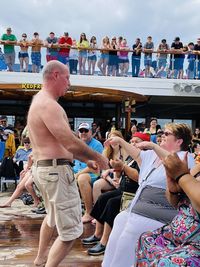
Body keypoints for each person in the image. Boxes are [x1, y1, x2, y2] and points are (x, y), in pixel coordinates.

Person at [27, 60, 108, 267]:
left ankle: (40, 259)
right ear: (55, 75)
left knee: (51, 217)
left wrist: (86, 158)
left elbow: (61, 145)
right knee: (72, 231)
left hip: (45, 169)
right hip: (54, 172)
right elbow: (70, 142)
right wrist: (99, 157)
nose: (69, 83)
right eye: (67, 77)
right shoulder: (48, 104)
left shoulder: (39, 101)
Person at [102, 123, 195, 267]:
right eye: (162, 132)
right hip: (138, 209)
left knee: (129, 235)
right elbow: (137, 153)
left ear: (179, 141)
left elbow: (172, 162)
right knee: (120, 219)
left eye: (167, 133)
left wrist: (154, 146)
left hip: (158, 214)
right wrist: (120, 141)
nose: (162, 135)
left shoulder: (185, 158)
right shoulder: (152, 156)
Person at [135, 153, 200, 267]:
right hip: (176, 233)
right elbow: (176, 203)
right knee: (146, 238)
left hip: (195, 244)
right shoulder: (197, 168)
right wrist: (173, 190)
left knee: (167, 263)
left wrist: (182, 176)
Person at [74, 122, 104, 223]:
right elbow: (74, 163)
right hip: (78, 171)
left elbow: (94, 166)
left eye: (86, 130)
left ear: (91, 132)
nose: (83, 133)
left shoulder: (97, 145)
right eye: (81, 131)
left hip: (93, 173)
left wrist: (77, 174)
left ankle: (89, 213)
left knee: (81, 178)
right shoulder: (77, 144)